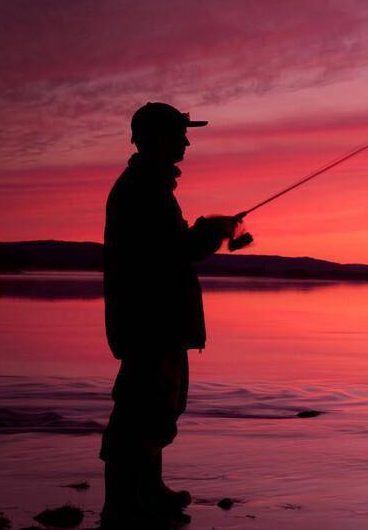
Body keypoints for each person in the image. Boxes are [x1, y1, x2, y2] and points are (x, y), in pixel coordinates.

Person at [100, 102, 242, 528]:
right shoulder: (142, 187)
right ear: (158, 137)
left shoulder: (152, 186)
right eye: (180, 133)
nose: (186, 140)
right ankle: (124, 503)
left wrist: (206, 229)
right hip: (150, 320)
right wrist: (212, 232)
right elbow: (172, 252)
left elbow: (171, 246)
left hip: (158, 319)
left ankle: (149, 490)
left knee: (160, 407)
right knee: (140, 411)